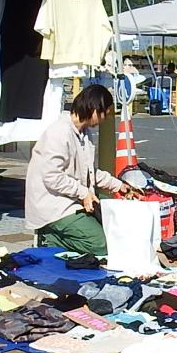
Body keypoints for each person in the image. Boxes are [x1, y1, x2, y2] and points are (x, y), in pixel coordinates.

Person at [24, 85, 134, 254]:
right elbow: (52, 177)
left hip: (71, 200)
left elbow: (89, 171)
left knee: (110, 235)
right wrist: (83, 193)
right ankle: (48, 239)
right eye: (105, 113)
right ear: (95, 110)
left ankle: (57, 236)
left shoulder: (83, 133)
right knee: (101, 245)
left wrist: (117, 185)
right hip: (53, 205)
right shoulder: (59, 133)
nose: (105, 119)